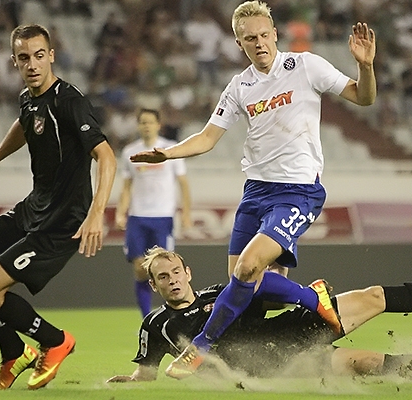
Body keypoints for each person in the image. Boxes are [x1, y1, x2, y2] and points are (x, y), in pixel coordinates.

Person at [130, 0, 379, 379]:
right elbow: (207, 137)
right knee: (249, 287)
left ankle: (201, 347)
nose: (259, 43)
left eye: (264, 35)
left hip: (297, 191)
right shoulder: (239, 86)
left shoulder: (305, 65)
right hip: (255, 193)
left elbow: (364, 97)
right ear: (238, 43)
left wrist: (365, 66)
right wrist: (167, 153)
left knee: (248, 267)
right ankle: (286, 331)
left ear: (275, 34)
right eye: (250, 38)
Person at [0, 24, 116, 390]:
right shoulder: (28, 98)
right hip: (33, 208)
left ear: (51, 55)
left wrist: (96, 213)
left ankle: (55, 341)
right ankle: (13, 351)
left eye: (40, 56)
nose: (33, 64)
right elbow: (25, 125)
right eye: (24, 58)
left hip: (62, 220)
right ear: (14, 61)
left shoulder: (69, 101)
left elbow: (106, 157)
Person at [106, 245, 412, 382]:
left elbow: (266, 289)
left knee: (373, 295)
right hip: (272, 364)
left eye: (176, 271)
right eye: (163, 277)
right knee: (364, 362)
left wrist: (302, 298)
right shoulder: (156, 324)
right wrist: (128, 381)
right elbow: (147, 371)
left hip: (292, 329)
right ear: (153, 286)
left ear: (187, 271)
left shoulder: (221, 294)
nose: (172, 279)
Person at [116, 108, 191, 317]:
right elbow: (126, 187)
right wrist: (121, 212)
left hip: (163, 217)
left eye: (150, 122)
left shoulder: (170, 150)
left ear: (159, 125)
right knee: (140, 268)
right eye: (142, 122)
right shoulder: (130, 151)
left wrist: (186, 213)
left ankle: (173, 313)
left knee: (167, 268)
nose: (146, 126)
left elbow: (183, 184)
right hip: (138, 217)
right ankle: (146, 317)